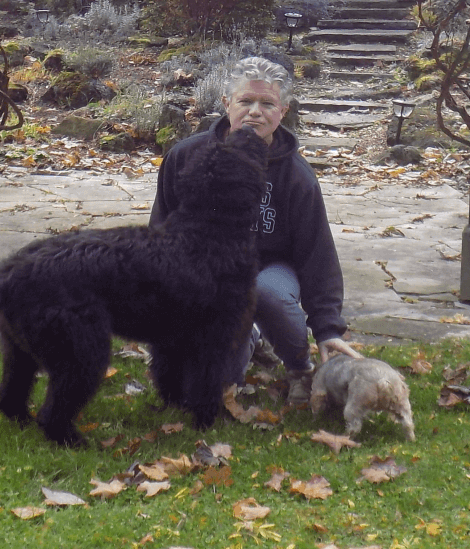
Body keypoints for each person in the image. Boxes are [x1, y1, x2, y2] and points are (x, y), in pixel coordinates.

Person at [150, 56, 361, 405]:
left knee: (264, 291)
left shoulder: (297, 177)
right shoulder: (185, 158)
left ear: (283, 111)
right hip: (208, 271)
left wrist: (327, 329)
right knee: (215, 383)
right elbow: (161, 230)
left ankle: (300, 369)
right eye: (245, 101)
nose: (255, 112)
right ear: (225, 104)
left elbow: (317, 255)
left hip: (269, 269)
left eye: (267, 104)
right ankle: (247, 338)